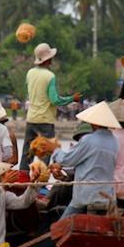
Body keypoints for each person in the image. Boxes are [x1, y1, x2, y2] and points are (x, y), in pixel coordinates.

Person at [46, 102, 120, 219]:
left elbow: (66, 159)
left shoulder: (89, 140)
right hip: (108, 196)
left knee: (60, 226)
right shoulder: (114, 141)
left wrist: (55, 150)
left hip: (87, 196)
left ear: (94, 123)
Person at [19, 43, 81, 171]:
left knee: (27, 152)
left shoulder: (30, 73)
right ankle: (42, 180)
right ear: (49, 59)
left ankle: (22, 178)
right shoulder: (50, 76)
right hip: (45, 120)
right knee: (46, 152)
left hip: (31, 118)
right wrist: (71, 98)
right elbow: (55, 100)